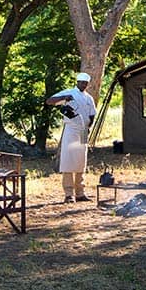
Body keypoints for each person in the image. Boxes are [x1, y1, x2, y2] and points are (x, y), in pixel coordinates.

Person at [46, 71, 97, 203]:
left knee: (81, 160)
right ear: (77, 82)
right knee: (68, 159)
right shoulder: (69, 92)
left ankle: (80, 192)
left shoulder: (89, 98)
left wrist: (89, 126)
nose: (83, 85)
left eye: (86, 83)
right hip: (71, 128)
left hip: (84, 129)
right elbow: (49, 101)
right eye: (81, 82)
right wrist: (64, 98)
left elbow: (92, 114)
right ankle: (69, 193)